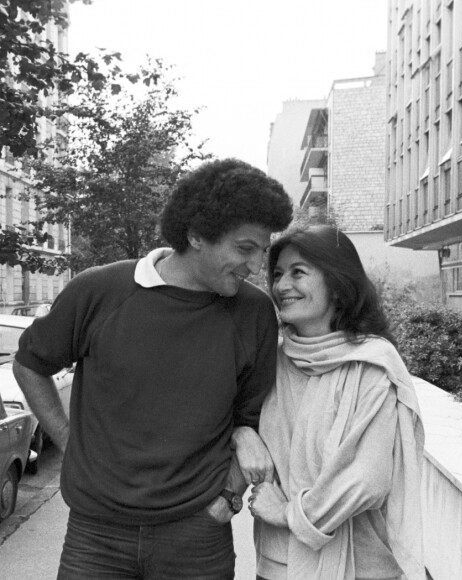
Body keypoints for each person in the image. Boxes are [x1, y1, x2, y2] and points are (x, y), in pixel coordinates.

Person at [13, 157, 293, 579]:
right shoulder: (99, 290)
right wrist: (69, 440)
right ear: (196, 235)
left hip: (197, 535)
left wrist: (227, 499)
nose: (256, 267)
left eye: (262, 251)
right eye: (244, 248)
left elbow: (254, 416)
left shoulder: (253, 313)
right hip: (95, 534)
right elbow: (29, 363)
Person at [246, 225, 426, 580]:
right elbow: (238, 421)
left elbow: (367, 478)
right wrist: (241, 435)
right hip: (278, 563)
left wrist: (287, 514)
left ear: (338, 284)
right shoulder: (271, 362)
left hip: (360, 566)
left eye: (299, 273)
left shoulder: (373, 363)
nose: (282, 286)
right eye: (278, 274)